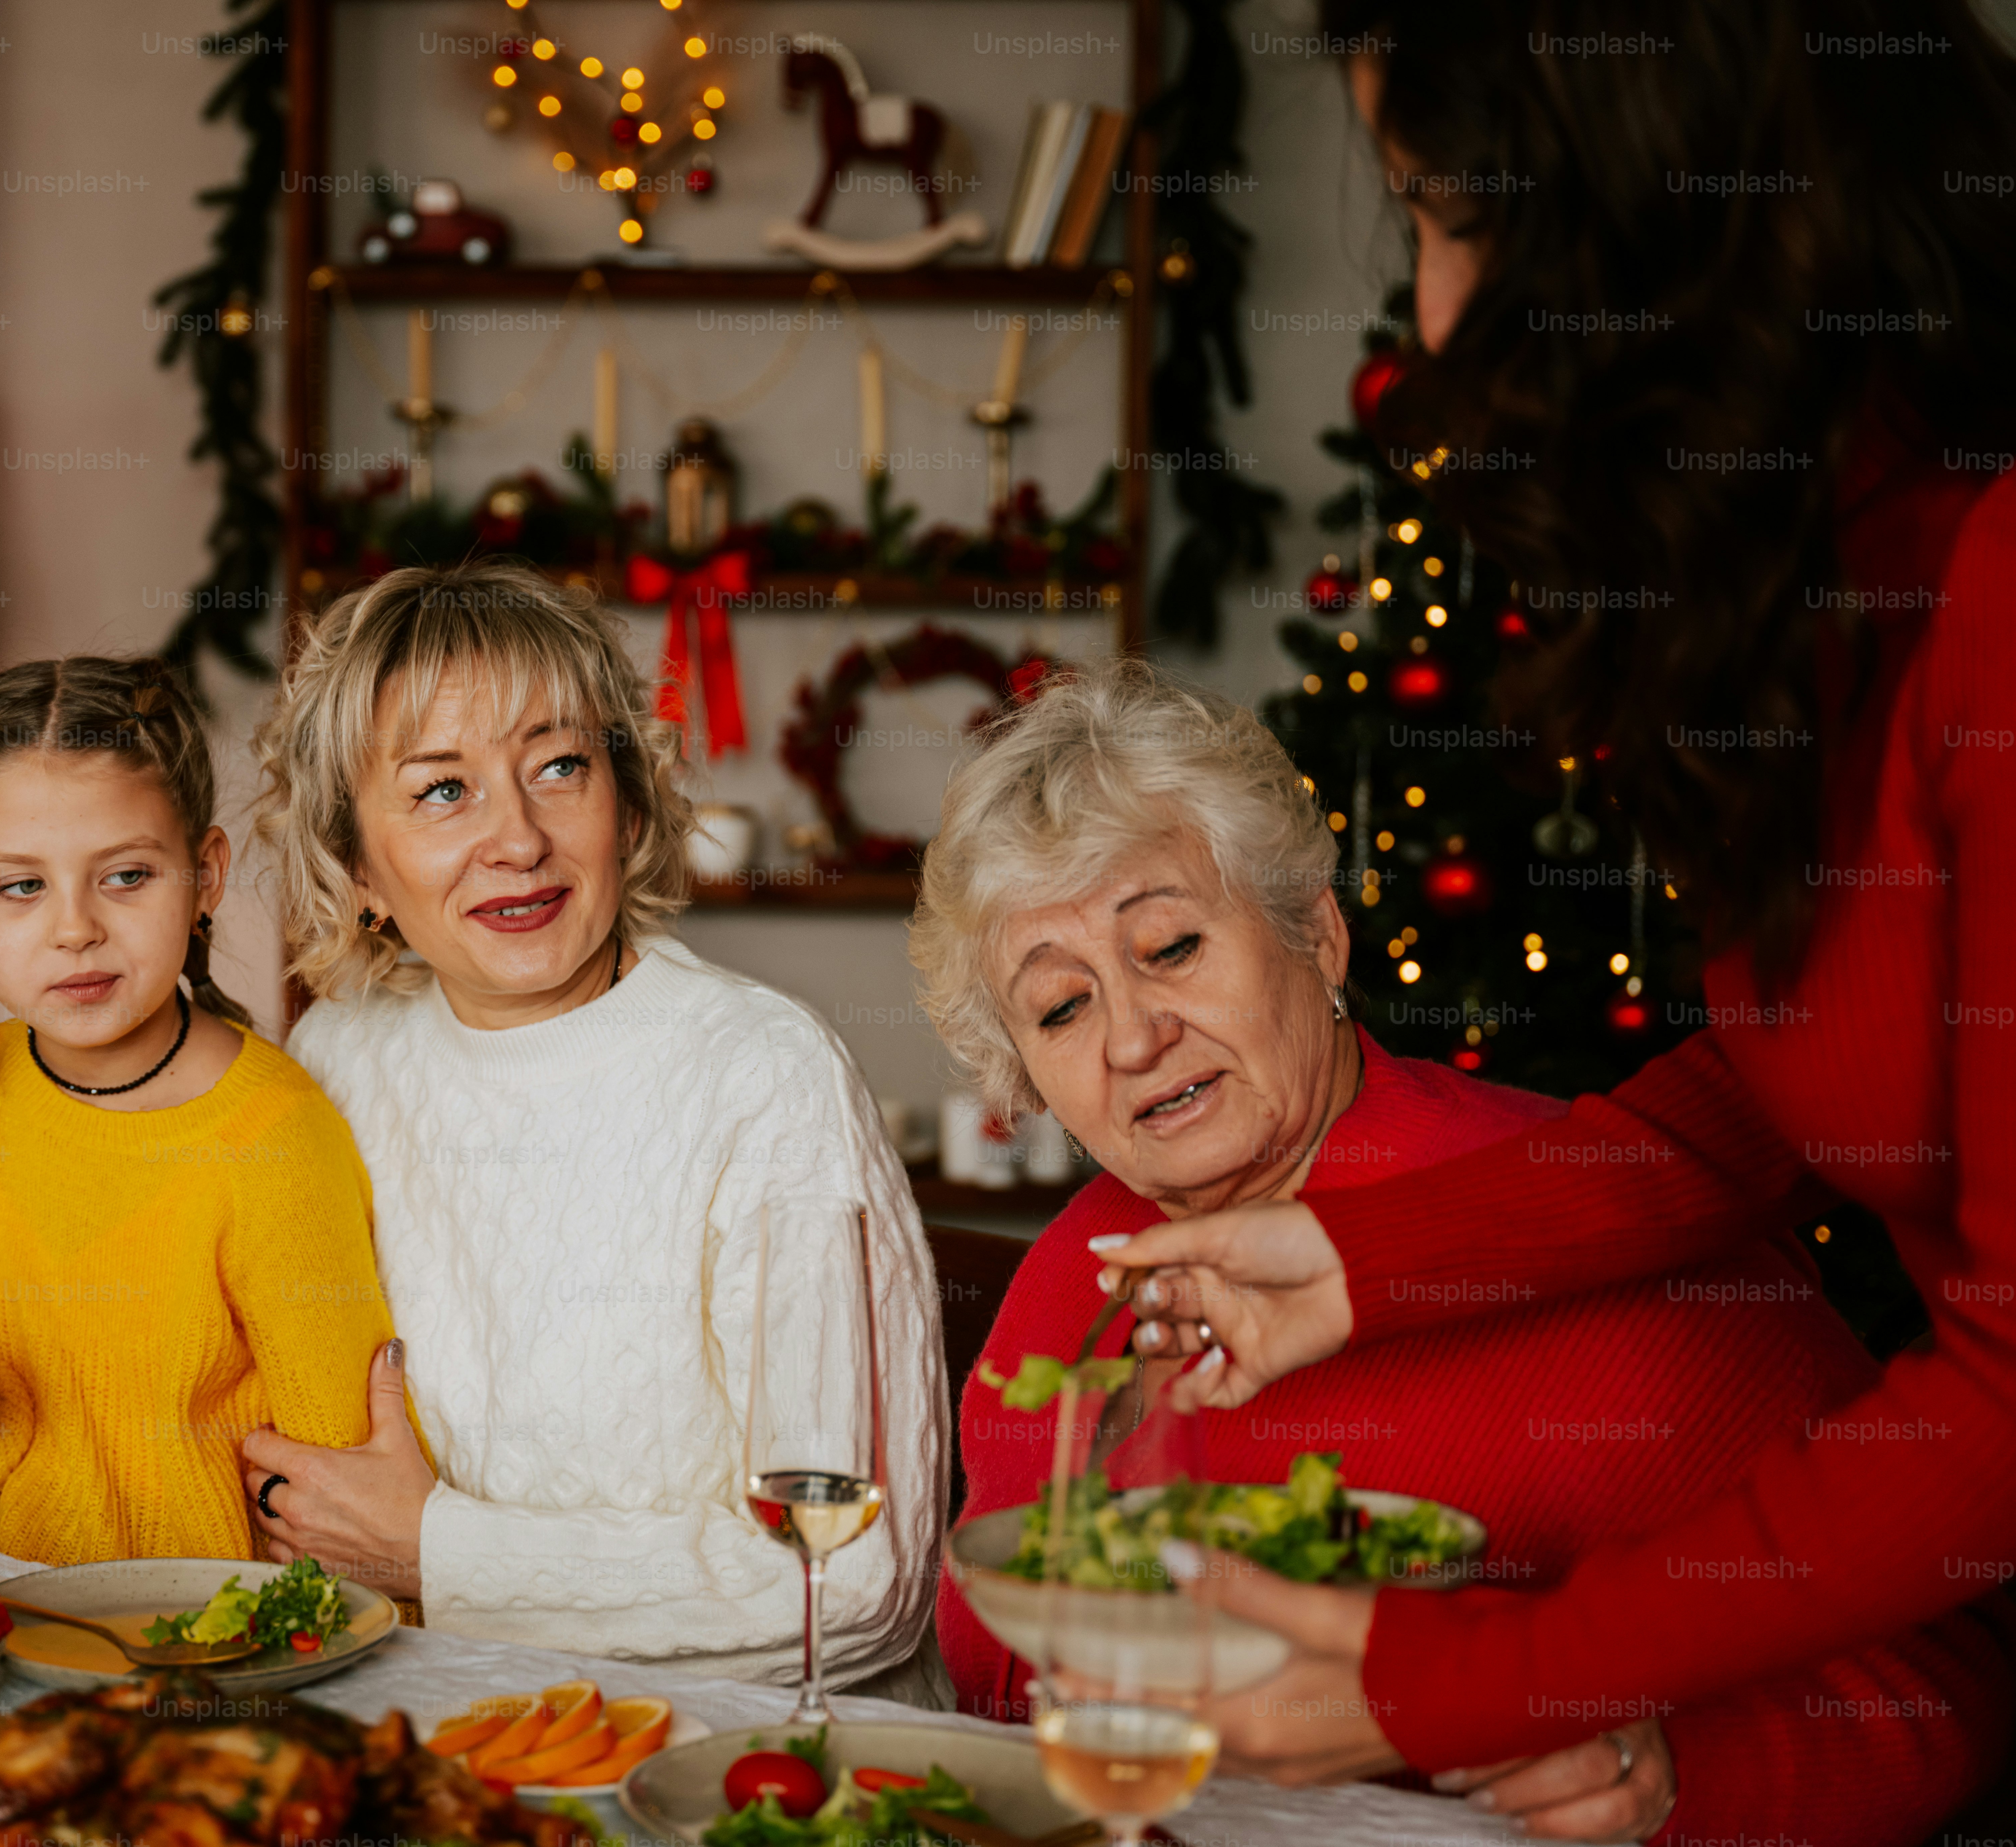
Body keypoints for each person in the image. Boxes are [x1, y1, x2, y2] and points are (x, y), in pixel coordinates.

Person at [1078, 0, 2016, 1804]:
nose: (1429, 318)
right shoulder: (1833, 577)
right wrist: (1370, 1266)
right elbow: (1786, 1076)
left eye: (1456, 222)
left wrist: (1476, 1677)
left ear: (1668, 216)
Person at [911, 662, 2009, 1843]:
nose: (1132, 1034)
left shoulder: (1592, 1237)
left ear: (1317, 936)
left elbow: (1944, 1686)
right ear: (1025, 1076)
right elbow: (996, 1698)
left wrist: (1671, 1772)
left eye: (1171, 946)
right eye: (1062, 1009)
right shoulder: (1068, 1277)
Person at [238, 560, 947, 1696]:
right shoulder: (337, 1059)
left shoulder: (765, 1078)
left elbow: (852, 1585)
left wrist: (440, 1550)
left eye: (560, 767)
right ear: (358, 864)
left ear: (626, 799)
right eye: (440, 791)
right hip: (424, 1736)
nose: (517, 839)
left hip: (752, 1776)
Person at [0, 656, 397, 1566]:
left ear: (205, 877)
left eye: (125, 877)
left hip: (201, 1652)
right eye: (20, 888)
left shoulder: (274, 1134)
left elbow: (348, 1495)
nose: (75, 928)